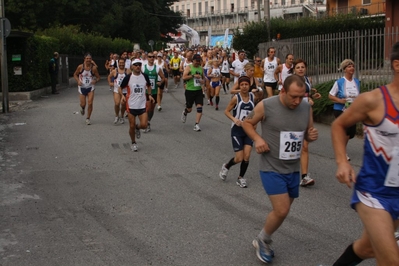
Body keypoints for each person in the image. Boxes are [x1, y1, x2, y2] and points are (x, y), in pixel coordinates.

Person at [330, 43, 399, 266]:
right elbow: (338, 126)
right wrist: (342, 162)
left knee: (367, 247)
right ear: (397, 65)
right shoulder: (373, 100)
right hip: (374, 193)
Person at [242, 75, 318, 264]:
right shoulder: (267, 105)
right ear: (282, 90)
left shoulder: (306, 107)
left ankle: (262, 237)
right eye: (293, 96)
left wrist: (311, 135)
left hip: (292, 168)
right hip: (271, 166)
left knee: (283, 210)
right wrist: (258, 139)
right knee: (282, 210)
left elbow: (307, 134)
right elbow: (246, 123)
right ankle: (263, 240)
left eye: (301, 97)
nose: (297, 101)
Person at [219, 76, 258, 188]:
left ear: (249, 86)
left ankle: (240, 178)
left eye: (246, 84)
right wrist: (235, 119)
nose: (244, 87)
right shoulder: (236, 98)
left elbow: (255, 112)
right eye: (242, 85)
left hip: (249, 130)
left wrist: (254, 123)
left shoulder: (252, 97)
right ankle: (227, 166)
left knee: (247, 156)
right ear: (239, 86)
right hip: (237, 130)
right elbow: (226, 111)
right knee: (239, 158)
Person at [290, 59, 321, 187]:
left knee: (305, 145)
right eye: (298, 67)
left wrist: (312, 97)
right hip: (293, 113)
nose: (301, 69)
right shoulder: (291, 82)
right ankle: (285, 171)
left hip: (306, 113)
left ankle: (304, 176)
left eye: (303, 67)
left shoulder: (308, 80)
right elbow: (287, 97)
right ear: (294, 70)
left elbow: (306, 96)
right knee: (292, 144)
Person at [328, 59, 360, 161]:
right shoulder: (339, 82)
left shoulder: (357, 82)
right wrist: (340, 101)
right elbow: (330, 96)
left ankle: (340, 147)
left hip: (352, 110)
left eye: (353, 66)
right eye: (349, 66)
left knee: (351, 133)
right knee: (346, 131)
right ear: (344, 69)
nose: (352, 68)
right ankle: (342, 152)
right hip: (340, 109)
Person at [120, 59, 154, 151]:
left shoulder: (145, 76)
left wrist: (149, 95)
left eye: (139, 64)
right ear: (132, 67)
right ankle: (133, 142)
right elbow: (121, 87)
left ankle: (137, 128)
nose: (138, 66)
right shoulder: (128, 77)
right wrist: (122, 96)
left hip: (142, 105)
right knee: (131, 125)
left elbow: (149, 86)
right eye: (136, 65)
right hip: (131, 105)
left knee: (144, 125)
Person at [73, 53, 101, 125]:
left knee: (90, 103)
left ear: (91, 60)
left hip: (90, 87)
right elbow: (75, 74)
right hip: (82, 87)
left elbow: (98, 77)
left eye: (90, 59)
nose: (88, 60)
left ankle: (88, 118)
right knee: (83, 104)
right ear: (84, 59)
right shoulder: (80, 67)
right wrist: (78, 81)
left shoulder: (93, 68)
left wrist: (95, 81)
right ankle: (82, 108)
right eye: (87, 59)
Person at [141, 52, 165, 132]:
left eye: (153, 57)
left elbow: (163, 78)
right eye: (150, 57)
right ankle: (146, 124)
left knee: (151, 109)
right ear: (147, 58)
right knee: (147, 108)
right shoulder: (143, 68)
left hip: (154, 91)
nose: (151, 58)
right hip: (146, 92)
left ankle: (148, 122)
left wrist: (160, 82)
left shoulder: (157, 68)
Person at [181, 54, 205, 131]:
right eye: (196, 61)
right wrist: (193, 76)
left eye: (199, 61)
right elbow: (184, 77)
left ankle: (196, 124)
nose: (198, 62)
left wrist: (202, 82)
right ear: (193, 60)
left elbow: (204, 79)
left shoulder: (201, 68)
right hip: (189, 91)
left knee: (199, 107)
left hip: (198, 90)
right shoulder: (189, 67)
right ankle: (185, 112)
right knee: (189, 109)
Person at [108, 57, 127, 124]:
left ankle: (122, 116)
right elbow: (109, 77)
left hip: (125, 90)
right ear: (118, 63)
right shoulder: (115, 71)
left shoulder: (128, 71)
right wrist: (110, 83)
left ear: (125, 63)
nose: (121, 64)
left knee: (123, 104)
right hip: (116, 89)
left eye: (123, 63)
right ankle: (116, 116)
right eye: (120, 63)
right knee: (117, 103)